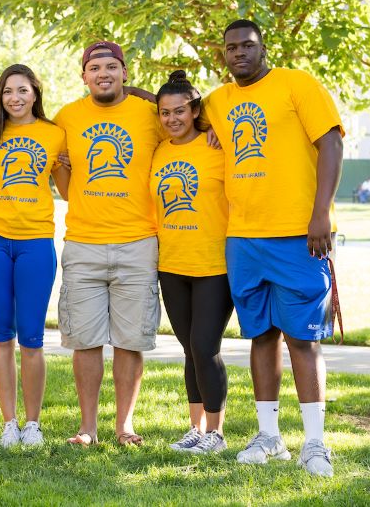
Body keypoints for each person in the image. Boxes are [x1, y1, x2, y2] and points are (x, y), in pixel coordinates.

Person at [202, 19, 343, 476]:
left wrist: (320, 214)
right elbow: (180, 108)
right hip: (243, 237)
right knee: (260, 335)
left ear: (263, 48)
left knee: (302, 338)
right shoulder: (219, 100)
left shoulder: (297, 84)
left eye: (247, 45)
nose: (239, 53)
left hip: (299, 234)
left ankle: (315, 443)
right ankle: (269, 437)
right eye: (231, 48)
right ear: (223, 54)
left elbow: (331, 143)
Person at [53, 41, 162, 446]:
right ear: (83, 76)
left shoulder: (150, 114)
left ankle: (124, 426)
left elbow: (192, 116)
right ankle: (88, 428)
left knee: (131, 340)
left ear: (124, 73)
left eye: (111, 66)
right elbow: (63, 183)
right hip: (84, 243)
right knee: (85, 340)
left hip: (138, 241)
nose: (103, 73)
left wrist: (146, 95)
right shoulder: (67, 117)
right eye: (95, 68)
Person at [0, 64, 68, 447]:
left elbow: (67, 190)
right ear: (0, 96)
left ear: (35, 93)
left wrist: (66, 164)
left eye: (22, 90)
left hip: (36, 242)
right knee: (1, 335)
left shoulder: (54, 134)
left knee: (31, 337)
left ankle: (33, 424)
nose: (15, 98)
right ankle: (9, 423)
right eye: (8, 91)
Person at [149, 71, 232, 454]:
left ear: (196, 110)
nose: (172, 119)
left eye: (180, 111)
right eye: (165, 112)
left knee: (204, 346)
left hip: (214, 265)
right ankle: (195, 429)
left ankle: (216, 432)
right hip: (172, 263)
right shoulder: (159, 150)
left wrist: (214, 126)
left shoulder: (218, 145)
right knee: (189, 348)